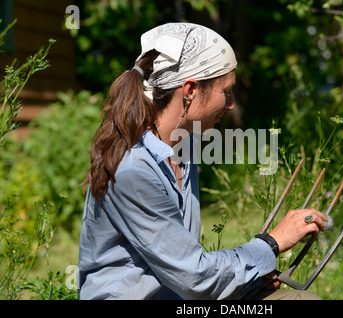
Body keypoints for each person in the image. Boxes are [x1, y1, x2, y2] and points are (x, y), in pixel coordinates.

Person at [78, 22, 327, 300]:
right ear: (190, 90)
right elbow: (194, 276)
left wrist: (245, 282)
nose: (231, 104)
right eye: (226, 91)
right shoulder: (134, 169)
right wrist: (270, 244)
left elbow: (186, 268)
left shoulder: (183, 148)